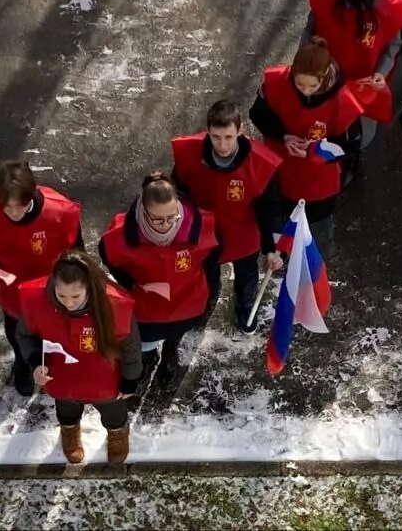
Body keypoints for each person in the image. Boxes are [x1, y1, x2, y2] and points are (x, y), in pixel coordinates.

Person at [0, 162, 83, 395]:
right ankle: (23, 361)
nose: (14, 213)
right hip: (12, 290)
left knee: (51, 329)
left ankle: (47, 362)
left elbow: (78, 252)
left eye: (21, 206)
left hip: (52, 289)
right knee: (16, 329)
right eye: (7, 207)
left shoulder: (60, 212)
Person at [15, 251, 142, 465]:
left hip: (104, 378)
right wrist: (36, 362)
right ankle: (69, 430)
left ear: (89, 287)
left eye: (76, 296)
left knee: (113, 412)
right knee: (66, 409)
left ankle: (117, 432)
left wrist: (130, 379)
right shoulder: (36, 302)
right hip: (62, 376)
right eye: (61, 295)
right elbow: (25, 335)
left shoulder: (114, 305)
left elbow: (131, 347)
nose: (68, 303)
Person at [170, 100, 284, 333]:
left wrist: (272, 247)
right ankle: (206, 302)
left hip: (244, 234)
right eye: (216, 137)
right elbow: (178, 192)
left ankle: (244, 307)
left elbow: (268, 208)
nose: (222, 145)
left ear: (240, 131)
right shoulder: (189, 155)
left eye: (228, 137)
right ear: (208, 132)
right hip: (204, 233)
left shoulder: (261, 164)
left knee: (247, 278)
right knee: (207, 276)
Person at [98, 172, 219, 389]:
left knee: (176, 333)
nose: (165, 224)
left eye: (172, 217)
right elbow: (108, 255)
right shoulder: (121, 234)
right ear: (143, 211)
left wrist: (208, 289)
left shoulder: (202, 226)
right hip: (146, 308)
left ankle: (170, 354)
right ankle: (149, 357)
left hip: (186, 303)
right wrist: (130, 283)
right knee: (144, 339)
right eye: (157, 219)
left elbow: (211, 261)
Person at [249, 39, 364, 239]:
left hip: (318, 184)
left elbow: (349, 145)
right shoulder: (276, 83)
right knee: (280, 226)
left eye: (313, 86)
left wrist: (313, 150)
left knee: (315, 236)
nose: (305, 90)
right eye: (299, 83)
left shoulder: (343, 102)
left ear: (325, 77)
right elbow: (258, 114)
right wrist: (283, 135)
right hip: (280, 172)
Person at [303, 0, 402, 142]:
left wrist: (381, 72)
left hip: (362, 86)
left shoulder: (386, 12)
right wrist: (306, 61)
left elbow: (393, 45)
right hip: (325, 77)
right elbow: (309, 31)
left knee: (361, 132)